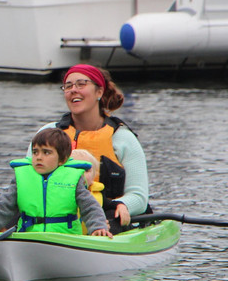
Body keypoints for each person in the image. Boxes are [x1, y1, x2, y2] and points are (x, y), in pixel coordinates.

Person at [37, 63, 148, 232]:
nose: (73, 90)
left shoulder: (123, 138)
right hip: (54, 214)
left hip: (106, 213)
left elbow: (139, 197)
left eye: (81, 84)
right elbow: (28, 179)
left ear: (99, 92)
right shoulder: (48, 133)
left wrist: (123, 205)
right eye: (68, 86)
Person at [0, 127, 111, 238]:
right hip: (29, 238)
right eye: (35, 152)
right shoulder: (21, 179)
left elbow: (90, 208)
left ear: (62, 160)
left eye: (46, 153)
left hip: (65, 240)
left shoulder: (74, 179)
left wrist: (98, 227)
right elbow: (2, 207)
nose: (39, 157)